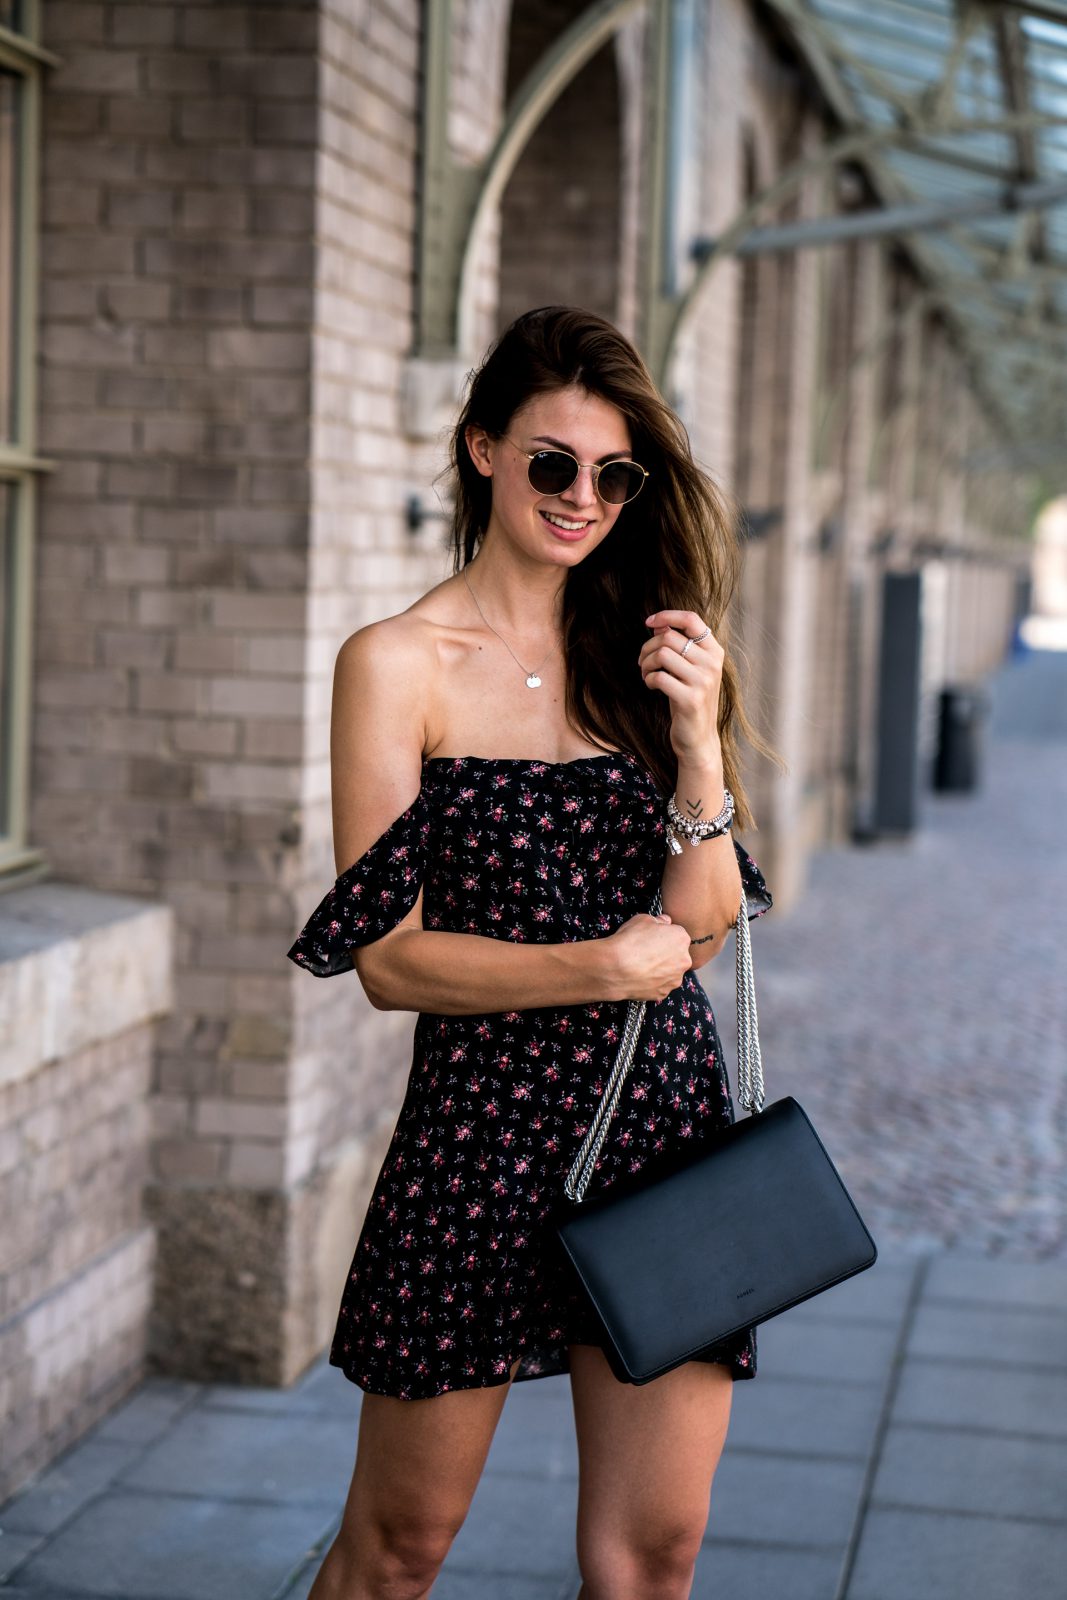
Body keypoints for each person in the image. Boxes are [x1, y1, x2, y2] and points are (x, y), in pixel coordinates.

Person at [288, 305, 779, 1600]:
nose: (584, 498)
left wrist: (699, 749)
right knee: (400, 1547)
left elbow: (710, 912)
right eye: (554, 463)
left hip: (662, 1128)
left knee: (652, 1552)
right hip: (482, 1136)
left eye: (614, 476)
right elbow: (390, 962)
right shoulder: (397, 663)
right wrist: (596, 966)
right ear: (483, 451)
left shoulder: (644, 652)